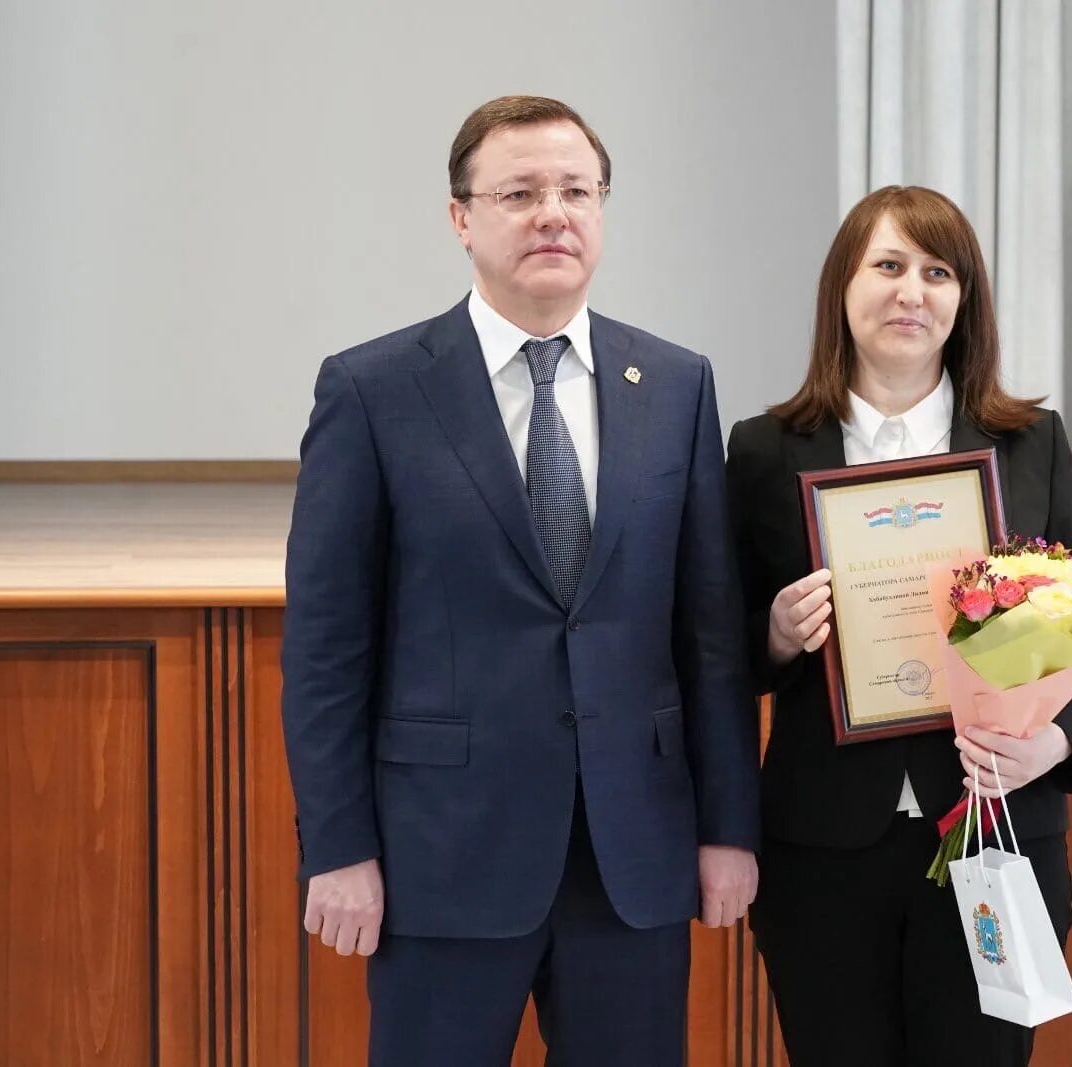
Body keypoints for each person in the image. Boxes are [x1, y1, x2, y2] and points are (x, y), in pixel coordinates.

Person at [280, 94, 760, 1067]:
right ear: (461, 217)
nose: (553, 213)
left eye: (576, 190)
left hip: (631, 855)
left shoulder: (673, 384)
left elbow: (709, 636)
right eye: (520, 192)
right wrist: (338, 846)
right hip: (442, 858)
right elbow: (327, 650)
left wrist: (728, 828)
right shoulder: (373, 390)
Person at [725, 185, 1072, 1065]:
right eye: (889, 266)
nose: (913, 292)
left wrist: (1049, 746)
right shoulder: (765, 449)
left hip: (995, 831)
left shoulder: (1031, 442)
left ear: (963, 298)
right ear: (842, 290)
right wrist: (779, 633)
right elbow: (721, 647)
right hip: (822, 845)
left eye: (938, 272)